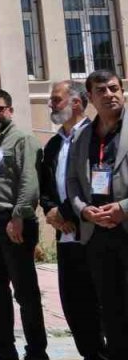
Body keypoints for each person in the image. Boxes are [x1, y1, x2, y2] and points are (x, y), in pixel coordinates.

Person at [0, 89, 46, 360]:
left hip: (14, 224)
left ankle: (36, 351)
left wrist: (19, 216)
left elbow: (29, 181)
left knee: (25, 293)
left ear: (10, 111)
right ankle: (4, 347)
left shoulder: (22, 139)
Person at [41, 80, 105, 360]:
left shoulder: (96, 137)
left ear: (77, 103)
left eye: (56, 100)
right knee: (75, 305)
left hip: (94, 233)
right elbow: (46, 188)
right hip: (65, 237)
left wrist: (67, 212)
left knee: (104, 303)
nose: (51, 105)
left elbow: (96, 185)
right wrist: (51, 212)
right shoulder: (54, 144)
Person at [66, 69, 128, 359]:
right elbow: (72, 182)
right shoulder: (82, 137)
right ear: (89, 97)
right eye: (101, 90)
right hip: (97, 235)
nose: (109, 94)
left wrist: (122, 208)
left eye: (114, 88)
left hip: (125, 226)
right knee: (110, 307)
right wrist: (84, 211)